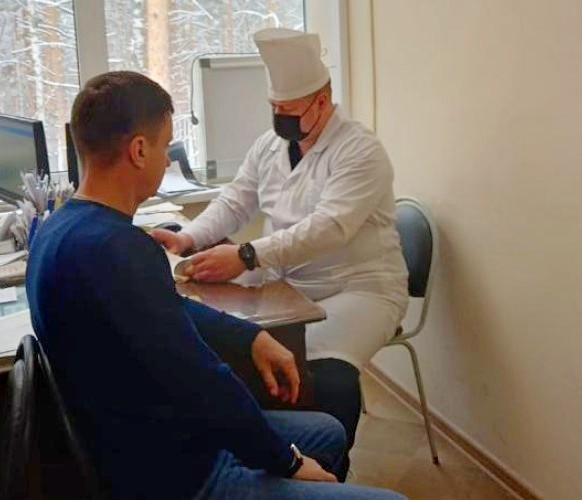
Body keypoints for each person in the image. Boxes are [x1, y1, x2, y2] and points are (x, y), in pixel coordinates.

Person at [26, 71, 404, 500]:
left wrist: (250, 336)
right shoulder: (118, 249)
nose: (167, 160)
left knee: (328, 430)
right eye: (166, 146)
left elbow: (170, 309)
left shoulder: (57, 230)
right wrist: (288, 462)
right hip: (180, 472)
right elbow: (203, 382)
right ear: (139, 150)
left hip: (141, 441)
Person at [152, 28, 409, 481]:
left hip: (358, 288)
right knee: (243, 349)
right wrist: (187, 239)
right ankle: (277, 457)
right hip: (286, 283)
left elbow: (329, 226)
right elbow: (235, 202)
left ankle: (330, 474)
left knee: (325, 373)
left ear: (322, 102)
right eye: (274, 108)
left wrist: (247, 255)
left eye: (289, 110)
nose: (279, 118)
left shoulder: (360, 151)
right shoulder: (269, 146)